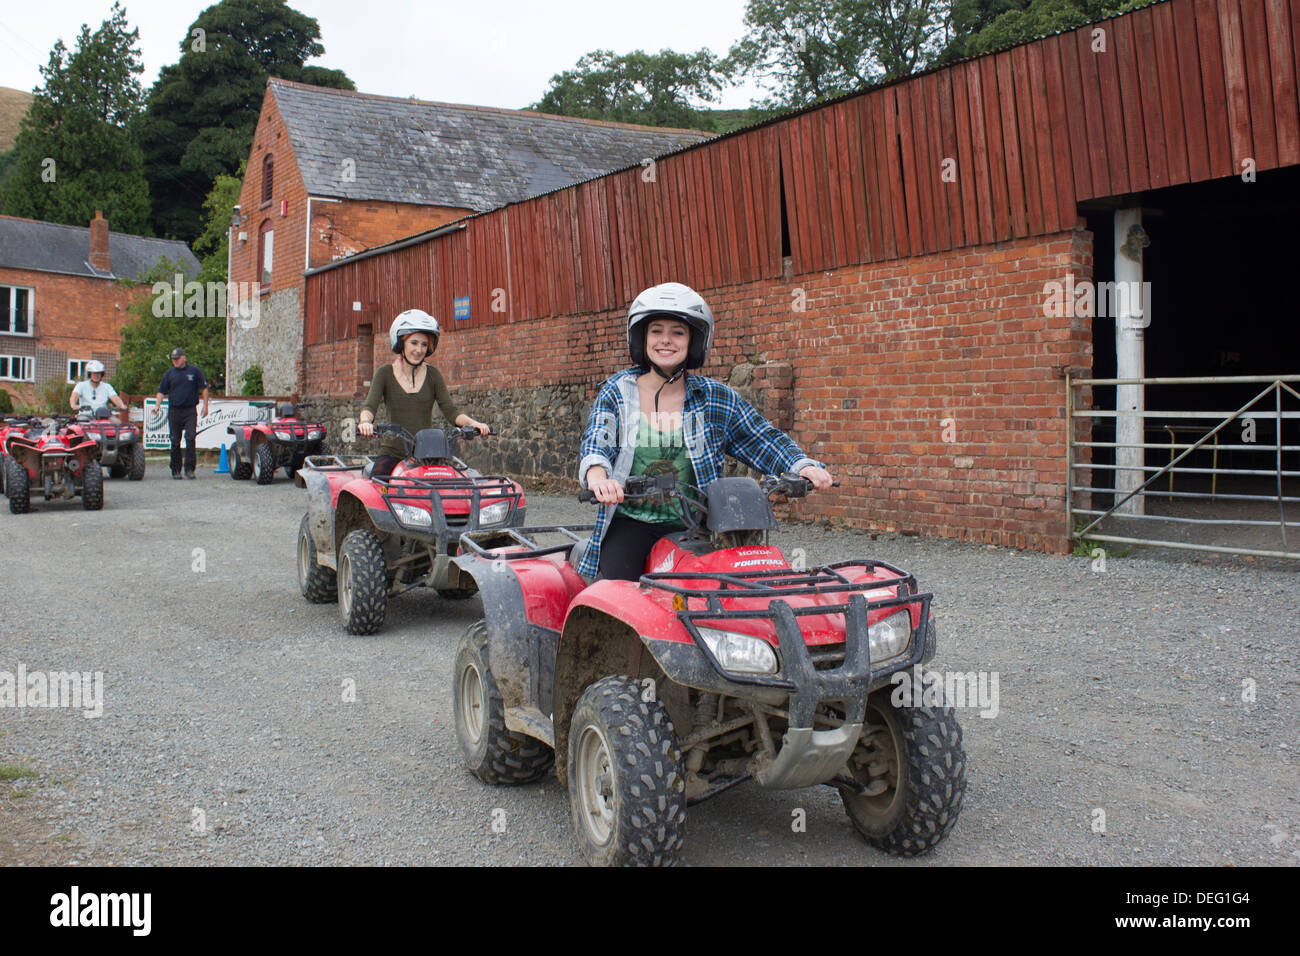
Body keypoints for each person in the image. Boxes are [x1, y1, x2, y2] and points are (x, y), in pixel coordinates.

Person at [578, 281, 833, 581]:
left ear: (694, 341)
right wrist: (597, 476)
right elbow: (598, 439)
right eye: (656, 330)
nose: (666, 340)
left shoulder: (713, 397)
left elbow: (758, 436)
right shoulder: (617, 392)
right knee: (615, 596)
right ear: (642, 337)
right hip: (631, 522)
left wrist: (800, 465)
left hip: (696, 526)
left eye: (678, 332)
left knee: (730, 592)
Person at [358, 309, 489, 477]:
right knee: (377, 486)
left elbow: (452, 412)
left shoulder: (433, 375)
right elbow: (369, 406)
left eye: (424, 344)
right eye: (414, 342)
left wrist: (474, 424)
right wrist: (365, 422)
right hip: (393, 453)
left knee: (456, 486)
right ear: (401, 343)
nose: (419, 349)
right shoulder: (385, 373)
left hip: (429, 454)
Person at [155, 347, 210, 480]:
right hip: (174, 411)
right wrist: (157, 405)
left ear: (184, 358)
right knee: (175, 441)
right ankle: (175, 470)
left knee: (190, 438)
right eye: (173, 359)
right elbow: (161, 391)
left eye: (177, 359)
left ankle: (190, 469)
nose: (175, 361)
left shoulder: (194, 371)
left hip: (190, 410)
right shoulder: (169, 374)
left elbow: (204, 388)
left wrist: (205, 406)